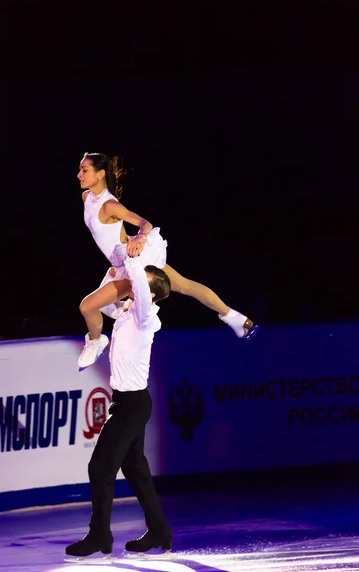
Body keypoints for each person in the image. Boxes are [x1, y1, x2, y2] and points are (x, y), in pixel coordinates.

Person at [77, 152, 258, 368]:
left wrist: (142, 238)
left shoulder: (109, 206)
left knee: (88, 307)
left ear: (100, 174)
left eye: (84, 170)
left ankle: (96, 341)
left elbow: (145, 223)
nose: (79, 175)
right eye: (80, 169)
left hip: (132, 265)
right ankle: (237, 319)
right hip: (120, 263)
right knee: (184, 285)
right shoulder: (87, 198)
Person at [66, 257, 173, 558]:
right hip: (125, 402)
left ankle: (100, 535)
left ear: (151, 293)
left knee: (100, 468)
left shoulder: (145, 317)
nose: (133, 285)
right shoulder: (127, 312)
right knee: (134, 468)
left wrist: (132, 257)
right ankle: (159, 531)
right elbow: (99, 300)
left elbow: (137, 281)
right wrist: (113, 271)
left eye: (141, 284)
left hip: (133, 405)